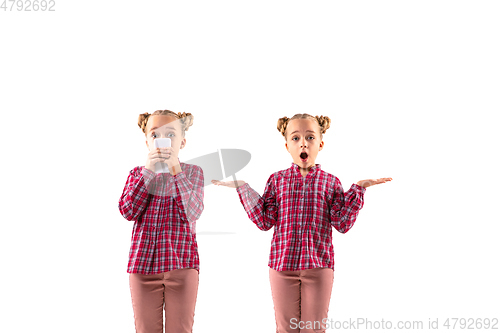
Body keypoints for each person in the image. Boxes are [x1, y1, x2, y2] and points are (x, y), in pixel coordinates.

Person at [212, 113, 392, 333]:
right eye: (296, 138)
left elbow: (342, 223)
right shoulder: (277, 180)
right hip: (282, 266)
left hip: (319, 266)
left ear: (320, 144)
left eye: (310, 137)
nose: (303, 143)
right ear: (287, 145)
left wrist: (358, 189)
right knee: (285, 329)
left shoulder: (331, 182)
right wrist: (243, 188)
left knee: (314, 329)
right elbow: (264, 221)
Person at [118, 110, 204, 333]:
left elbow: (193, 212)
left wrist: (176, 171)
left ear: (182, 142)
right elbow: (128, 211)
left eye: (170, 134)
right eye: (155, 135)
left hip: (181, 266)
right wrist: (148, 172)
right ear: (147, 142)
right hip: (143, 267)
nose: (161, 140)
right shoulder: (137, 174)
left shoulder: (193, 173)